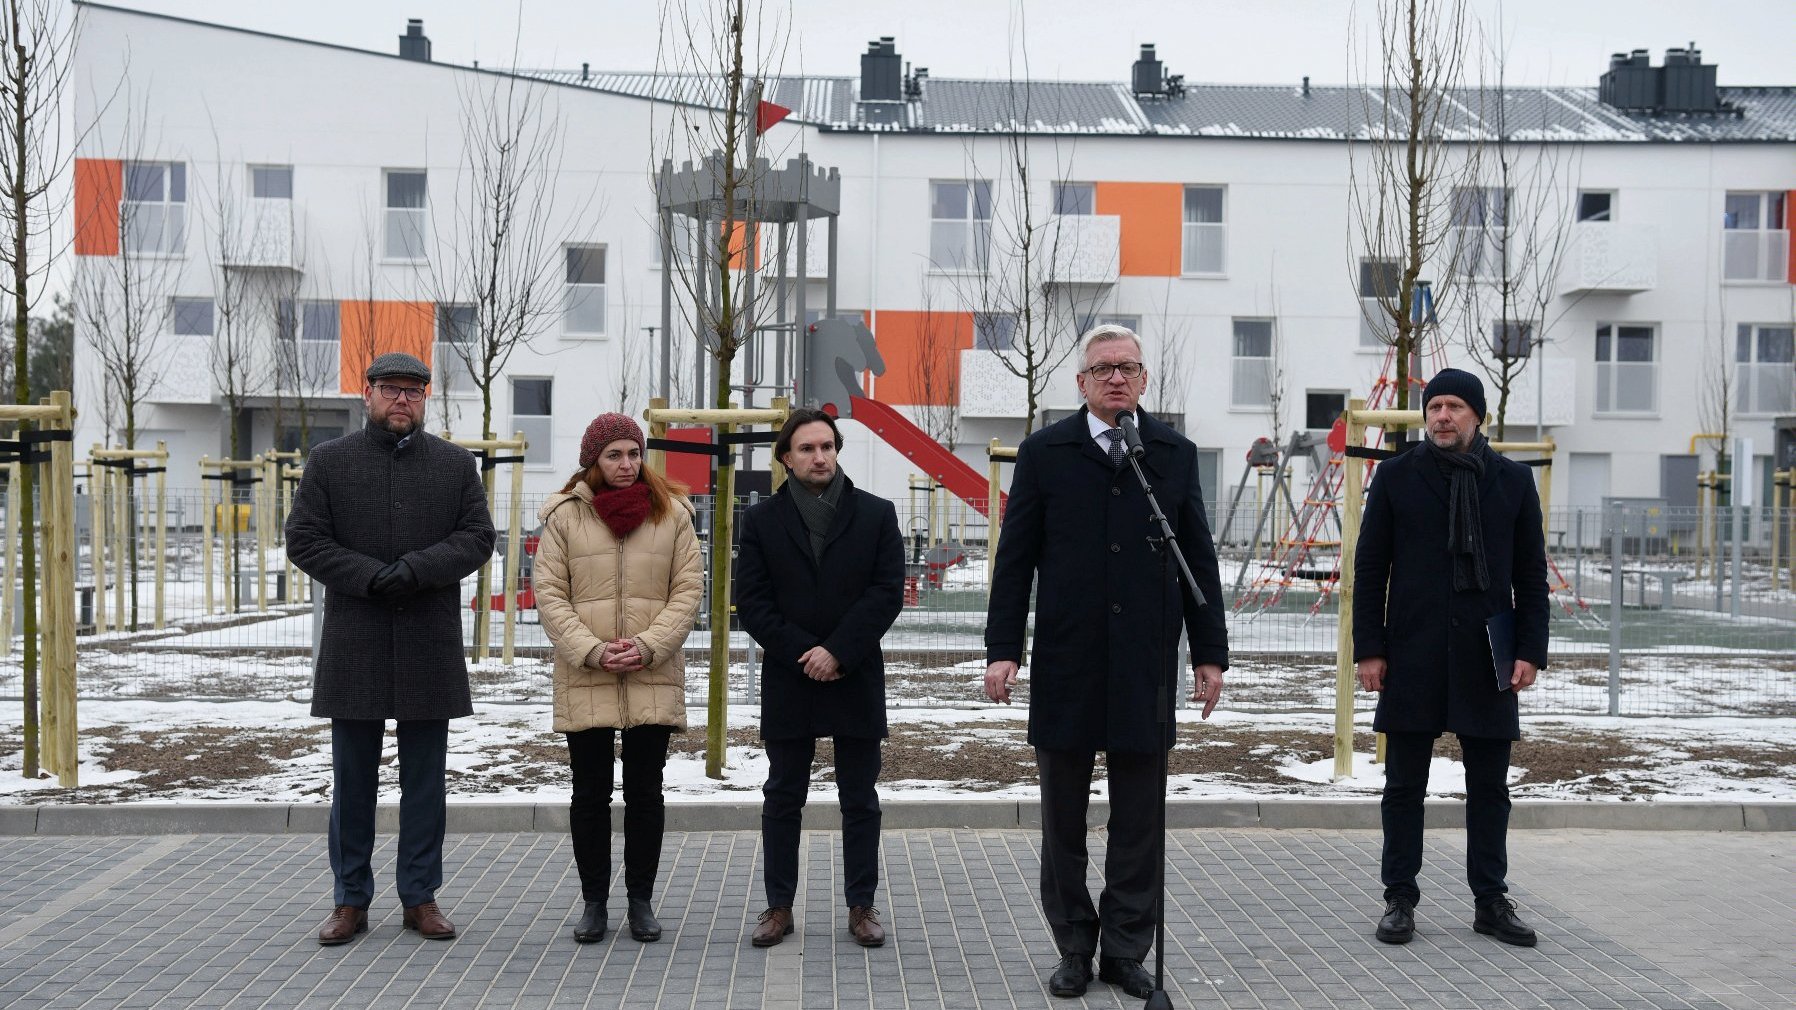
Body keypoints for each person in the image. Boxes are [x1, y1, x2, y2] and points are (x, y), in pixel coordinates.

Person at [983, 324, 1229, 1000]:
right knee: (1063, 820)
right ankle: (1073, 944)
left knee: (1140, 821)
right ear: (1082, 383)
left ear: (1144, 380)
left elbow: (1196, 559)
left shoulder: (1172, 455)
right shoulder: (1044, 453)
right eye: (1102, 369)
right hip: (1068, 664)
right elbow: (1016, 563)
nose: (1115, 378)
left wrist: (1210, 654)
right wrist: (1003, 649)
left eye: (1127, 367)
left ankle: (1125, 949)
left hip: (1145, 668)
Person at [285, 351, 496, 946]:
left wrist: (417, 569)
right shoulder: (330, 462)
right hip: (356, 640)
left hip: (428, 640)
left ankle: (420, 896)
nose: (402, 399)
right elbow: (303, 538)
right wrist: (369, 576)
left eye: (414, 391)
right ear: (368, 392)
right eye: (391, 389)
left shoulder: (454, 465)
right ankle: (350, 899)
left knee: (426, 783)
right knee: (352, 782)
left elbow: (479, 537)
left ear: (426, 399)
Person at [1353, 367, 1549, 948]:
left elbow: (1530, 577)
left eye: (1454, 407)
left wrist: (1530, 651)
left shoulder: (1512, 482)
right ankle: (1399, 900)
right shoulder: (1395, 476)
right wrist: (1370, 650)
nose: (1442, 416)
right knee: (1402, 785)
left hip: (1487, 654)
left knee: (1490, 787)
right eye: (1434, 405)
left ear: (1477, 416)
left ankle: (1490, 901)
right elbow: (1370, 571)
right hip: (1411, 652)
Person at [733, 408, 904, 949]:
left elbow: (886, 594)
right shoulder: (760, 521)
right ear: (786, 458)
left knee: (860, 798)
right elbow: (753, 603)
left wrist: (838, 651)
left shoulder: (877, 514)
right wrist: (804, 652)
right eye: (806, 449)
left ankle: (862, 906)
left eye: (827, 446)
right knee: (783, 796)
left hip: (853, 676)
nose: (819, 456)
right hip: (791, 677)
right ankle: (778, 906)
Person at [532, 413, 703, 945]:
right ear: (593, 461)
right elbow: (550, 595)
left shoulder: (672, 514)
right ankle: (593, 903)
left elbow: (688, 590)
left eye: (633, 453)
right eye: (614, 455)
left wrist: (649, 646)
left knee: (646, 796)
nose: (626, 465)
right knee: (589, 797)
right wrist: (593, 651)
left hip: (652, 673)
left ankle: (641, 902)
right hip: (587, 675)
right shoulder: (564, 518)